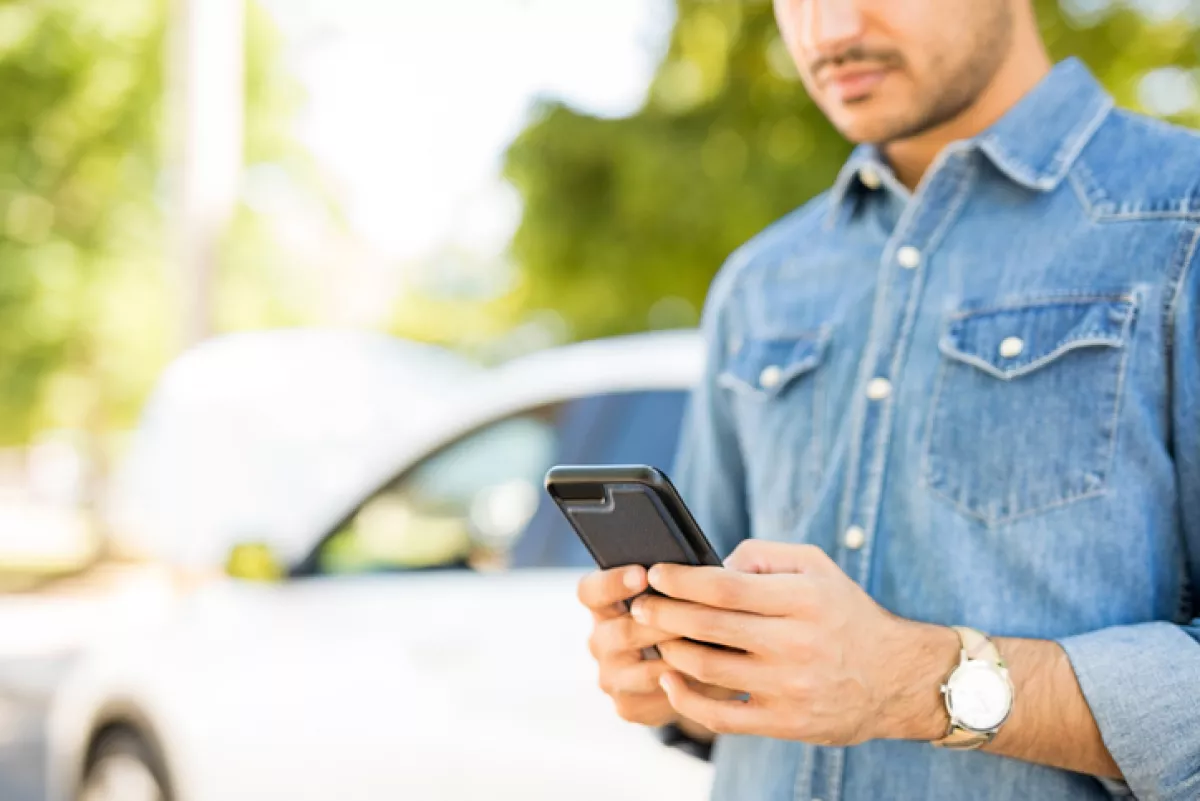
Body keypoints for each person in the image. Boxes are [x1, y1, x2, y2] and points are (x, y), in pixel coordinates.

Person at [576, 0, 1200, 799]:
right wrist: (680, 672)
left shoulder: (1182, 226)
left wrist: (914, 681)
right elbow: (726, 670)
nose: (826, 32)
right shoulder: (759, 284)